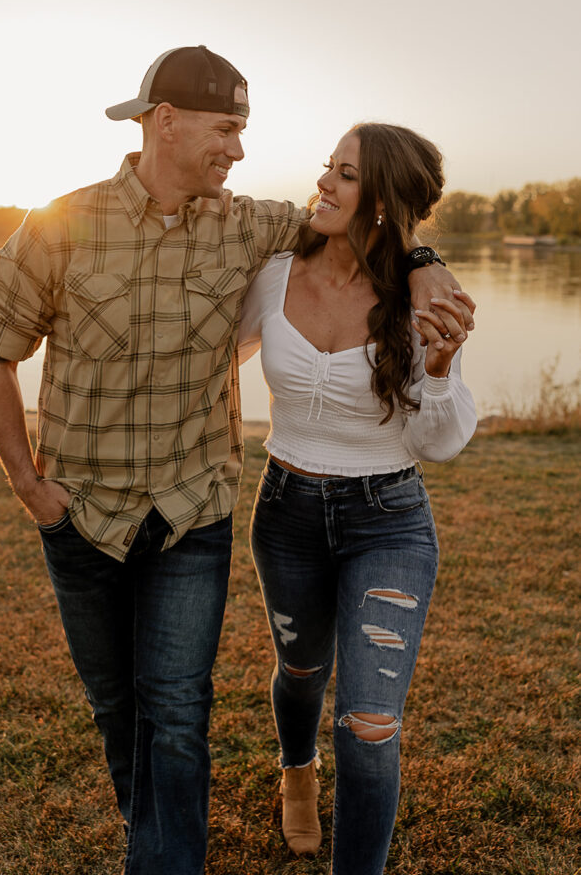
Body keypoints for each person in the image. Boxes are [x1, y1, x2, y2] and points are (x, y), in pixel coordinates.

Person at [0, 47, 472, 875]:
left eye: (245, 132)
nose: (240, 150)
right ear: (165, 122)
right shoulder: (61, 227)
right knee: (119, 703)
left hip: (194, 511)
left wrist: (422, 266)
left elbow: (379, 228)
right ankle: (169, 831)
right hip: (87, 513)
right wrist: (30, 488)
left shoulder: (250, 227)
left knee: (180, 709)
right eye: (228, 129)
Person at [238, 122, 477, 875]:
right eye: (328, 168)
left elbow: (438, 443)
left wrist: (438, 367)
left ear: (380, 203)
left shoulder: (421, 299)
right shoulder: (275, 274)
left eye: (345, 175)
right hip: (285, 511)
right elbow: (213, 355)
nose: (324, 185)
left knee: (371, 723)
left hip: (388, 521)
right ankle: (297, 771)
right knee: (301, 670)